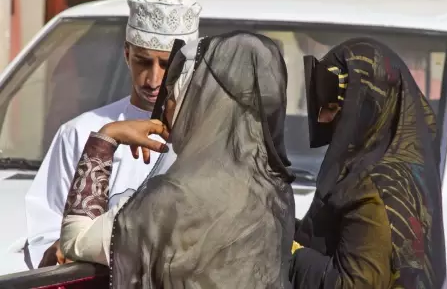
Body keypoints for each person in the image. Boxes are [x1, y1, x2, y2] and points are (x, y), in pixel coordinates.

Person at [59, 31, 296, 288]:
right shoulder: (270, 187)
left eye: (172, 96)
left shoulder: (175, 198)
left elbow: (76, 240)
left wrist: (106, 138)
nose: (166, 108)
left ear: (201, 104)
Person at [24, 0, 202, 269]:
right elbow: (44, 234)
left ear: (187, 64)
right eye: (143, 62)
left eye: (166, 65)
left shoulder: (208, 134)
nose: (153, 79)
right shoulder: (81, 132)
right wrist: (62, 249)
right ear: (126, 54)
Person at [290, 38, 446, 288]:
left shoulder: (378, 188)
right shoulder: (373, 169)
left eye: (333, 107)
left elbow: (355, 284)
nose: (324, 118)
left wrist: (291, 255)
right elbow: (326, 239)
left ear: (369, 108)